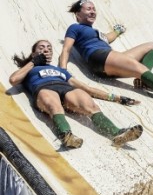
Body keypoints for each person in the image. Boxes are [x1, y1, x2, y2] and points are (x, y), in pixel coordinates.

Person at [58, 0, 153, 107]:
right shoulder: (75, 28)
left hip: (109, 59)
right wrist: (62, 71)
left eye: (94, 9)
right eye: (88, 9)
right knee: (138, 67)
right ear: (78, 14)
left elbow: (108, 37)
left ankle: (144, 81)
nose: (93, 11)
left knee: (152, 46)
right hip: (98, 57)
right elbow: (66, 49)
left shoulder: (96, 32)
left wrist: (118, 31)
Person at [9, 40, 144, 149]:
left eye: (49, 48)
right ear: (34, 53)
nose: (46, 50)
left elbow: (87, 88)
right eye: (41, 48)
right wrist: (33, 62)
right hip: (43, 88)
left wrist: (117, 98)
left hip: (65, 88)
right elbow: (13, 80)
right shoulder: (30, 69)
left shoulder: (60, 71)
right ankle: (67, 136)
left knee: (88, 102)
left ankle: (117, 134)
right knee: (53, 103)